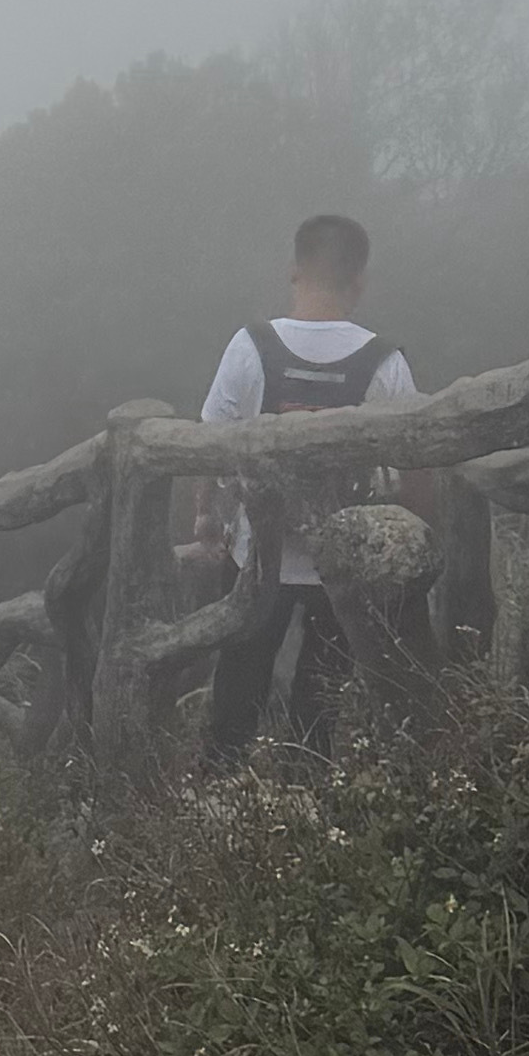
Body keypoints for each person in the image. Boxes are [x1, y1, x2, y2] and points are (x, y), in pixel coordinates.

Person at [192, 219, 423, 761]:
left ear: (294, 270)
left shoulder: (251, 346)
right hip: (342, 564)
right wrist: (412, 553)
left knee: (237, 691)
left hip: (255, 557)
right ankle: (310, 804)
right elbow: (418, 463)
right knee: (321, 701)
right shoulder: (385, 360)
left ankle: (220, 798)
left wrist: (204, 520)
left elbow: (208, 442)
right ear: (359, 281)